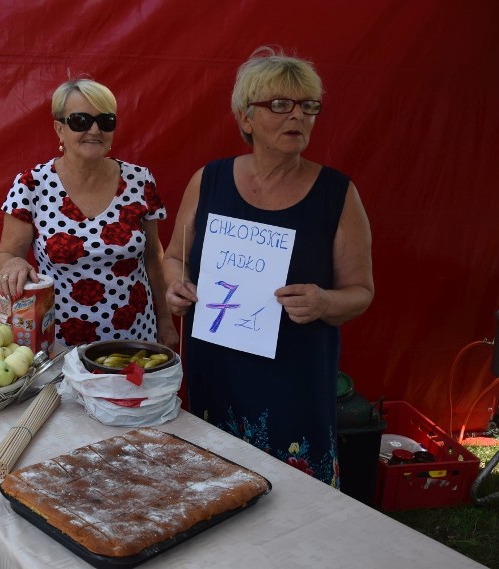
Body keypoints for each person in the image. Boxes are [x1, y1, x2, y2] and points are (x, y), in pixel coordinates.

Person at [162, 46, 374, 486]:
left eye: (308, 106)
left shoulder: (337, 194)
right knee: (213, 489)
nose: (297, 116)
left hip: (293, 379)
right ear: (245, 117)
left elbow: (360, 291)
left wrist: (323, 301)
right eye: (280, 104)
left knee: (295, 502)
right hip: (215, 370)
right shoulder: (210, 180)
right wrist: (178, 286)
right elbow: (176, 256)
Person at [0, 78, 179, 348]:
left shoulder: (140, 180)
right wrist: (12, 264)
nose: (94, 129)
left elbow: (153, 257)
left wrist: (165, 321)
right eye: (81, 121)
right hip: (60, 347)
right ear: (59, 128)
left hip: (135, 340)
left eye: (105, 121)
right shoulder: (31, 184)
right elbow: (6, 254)